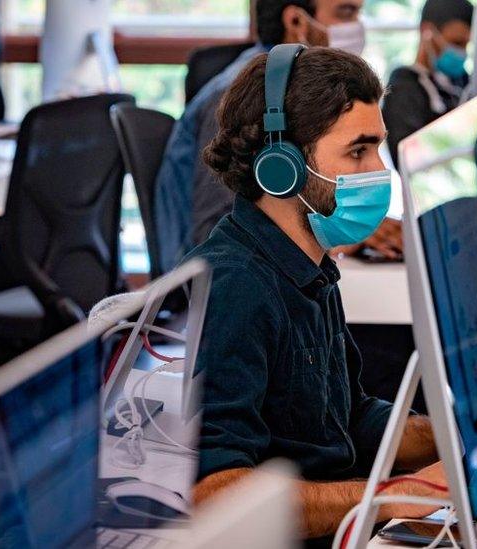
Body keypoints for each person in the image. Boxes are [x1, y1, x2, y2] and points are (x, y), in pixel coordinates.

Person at [184, 46, 445, 542]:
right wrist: (395, 497)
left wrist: (465, 439)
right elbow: (211, 494)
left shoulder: (309, 265)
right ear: (280, 166)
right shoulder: (234, 287)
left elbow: (349, 420)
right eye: (358, 150)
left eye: (378, 148)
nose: (378, 170)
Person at [152, 0, 403, 274]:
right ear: (296, 22)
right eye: (345, 12)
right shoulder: (248, 99)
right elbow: (211, 235)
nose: (357, 27)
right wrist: (330, 234)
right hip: (202, 287)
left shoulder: (301, 96)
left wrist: (340, 225)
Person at [382, 0, 473, 167]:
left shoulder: (464, 83)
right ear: (427, 31)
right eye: (456, 43)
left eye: (467, 45)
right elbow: (407, 161)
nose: (462, 53)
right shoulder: (403, 85)